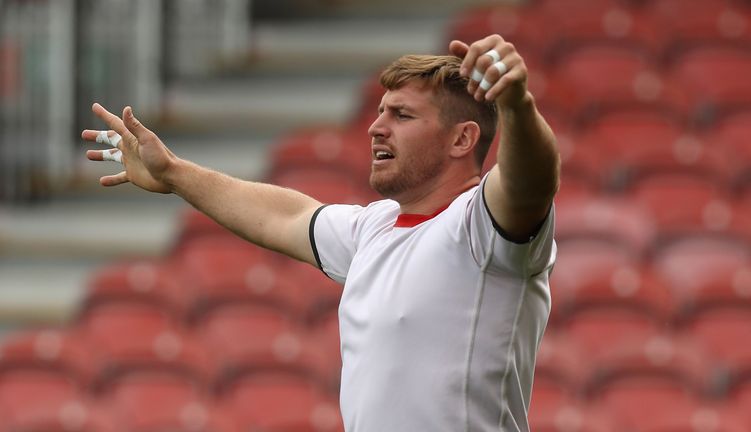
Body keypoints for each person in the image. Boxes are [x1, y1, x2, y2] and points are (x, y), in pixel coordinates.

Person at [83, 34, 559, 432]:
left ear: (463, 139)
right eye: (379, 111)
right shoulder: (376, 228)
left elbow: (531, 177)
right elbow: (283, 216)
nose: (376, 128)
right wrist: (172, 173)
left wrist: (516, 103)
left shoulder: (483, 227)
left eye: (402, 115)